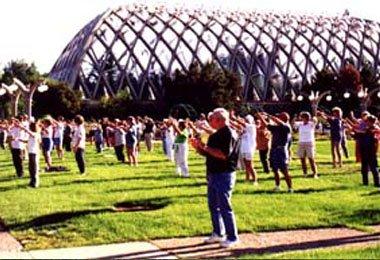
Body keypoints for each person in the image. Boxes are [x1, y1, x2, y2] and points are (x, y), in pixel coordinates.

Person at [190, 108, 240, 248]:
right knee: (213, 206)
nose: (209, 120)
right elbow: (208, 153)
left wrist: (204, 147)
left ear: (220, 120)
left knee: (225, 206)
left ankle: (232, 236)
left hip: (224, 173)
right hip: (213, 173)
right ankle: (218, 233)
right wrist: (198, 147)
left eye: (212, 118)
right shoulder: (215, 135)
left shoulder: (229, 133)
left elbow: (223, 154)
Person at [257, 112, 293, 192]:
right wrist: (260, 116)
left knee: (284, 170)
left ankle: (290, 188)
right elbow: (267, 125)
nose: (277, 119)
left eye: (279, 117)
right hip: (274, 150)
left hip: (281, 150)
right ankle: (277, 186)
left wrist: (269, 115)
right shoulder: (276, 128)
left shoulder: (286, 127)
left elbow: (279, 122)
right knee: (275, 169)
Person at [347, 115, 379, 188]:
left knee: (373, 167)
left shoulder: (373, 128)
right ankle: (366, 183)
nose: (365, 122)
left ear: (370, 121)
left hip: (370, 150)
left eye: (367, 121)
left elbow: (360, 133)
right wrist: (352, 131)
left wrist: (352, 130)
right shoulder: (369, 128)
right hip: (365, 149)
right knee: (365, 166)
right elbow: (358, 134)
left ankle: (376, 183)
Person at [293, 112, 318, 178]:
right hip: (301, 143)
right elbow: (293, 125)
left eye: (307, 117)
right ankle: (305, 173)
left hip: (309, 143)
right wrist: (294, 118)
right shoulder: (300, 124)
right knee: (302, 159)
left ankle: (314, 173)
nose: (306, 118)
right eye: (304, 117)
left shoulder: (311, 124)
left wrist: (314, 115)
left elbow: (315, 120)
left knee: (311, 159)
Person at [18, 121, 41, 188]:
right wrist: (20, 140)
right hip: (31, 152)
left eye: (30, 127)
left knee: (34, 168)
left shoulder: (36, 134)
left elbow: (31, 134)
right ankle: (31, 182)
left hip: (34, 153)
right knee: (31, 168)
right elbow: (28, 141)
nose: (29, 128)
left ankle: (35, 183)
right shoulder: (32, 134)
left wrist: (23, 128)